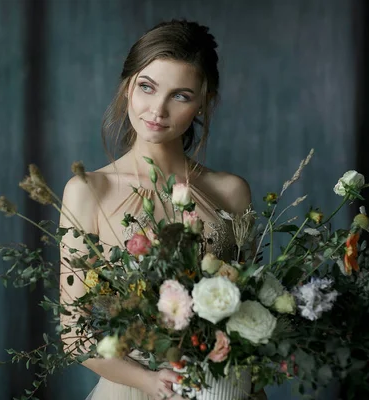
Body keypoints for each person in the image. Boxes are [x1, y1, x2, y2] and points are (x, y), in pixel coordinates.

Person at [59, 20, 266, 400]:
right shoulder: (88, 191)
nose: (158, 109)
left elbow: (251, 308)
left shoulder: (231, 192)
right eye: (147, 87)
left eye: (181, 95)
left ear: (205, 101)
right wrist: (149, 382)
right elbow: (75, 334)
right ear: (127, 87)